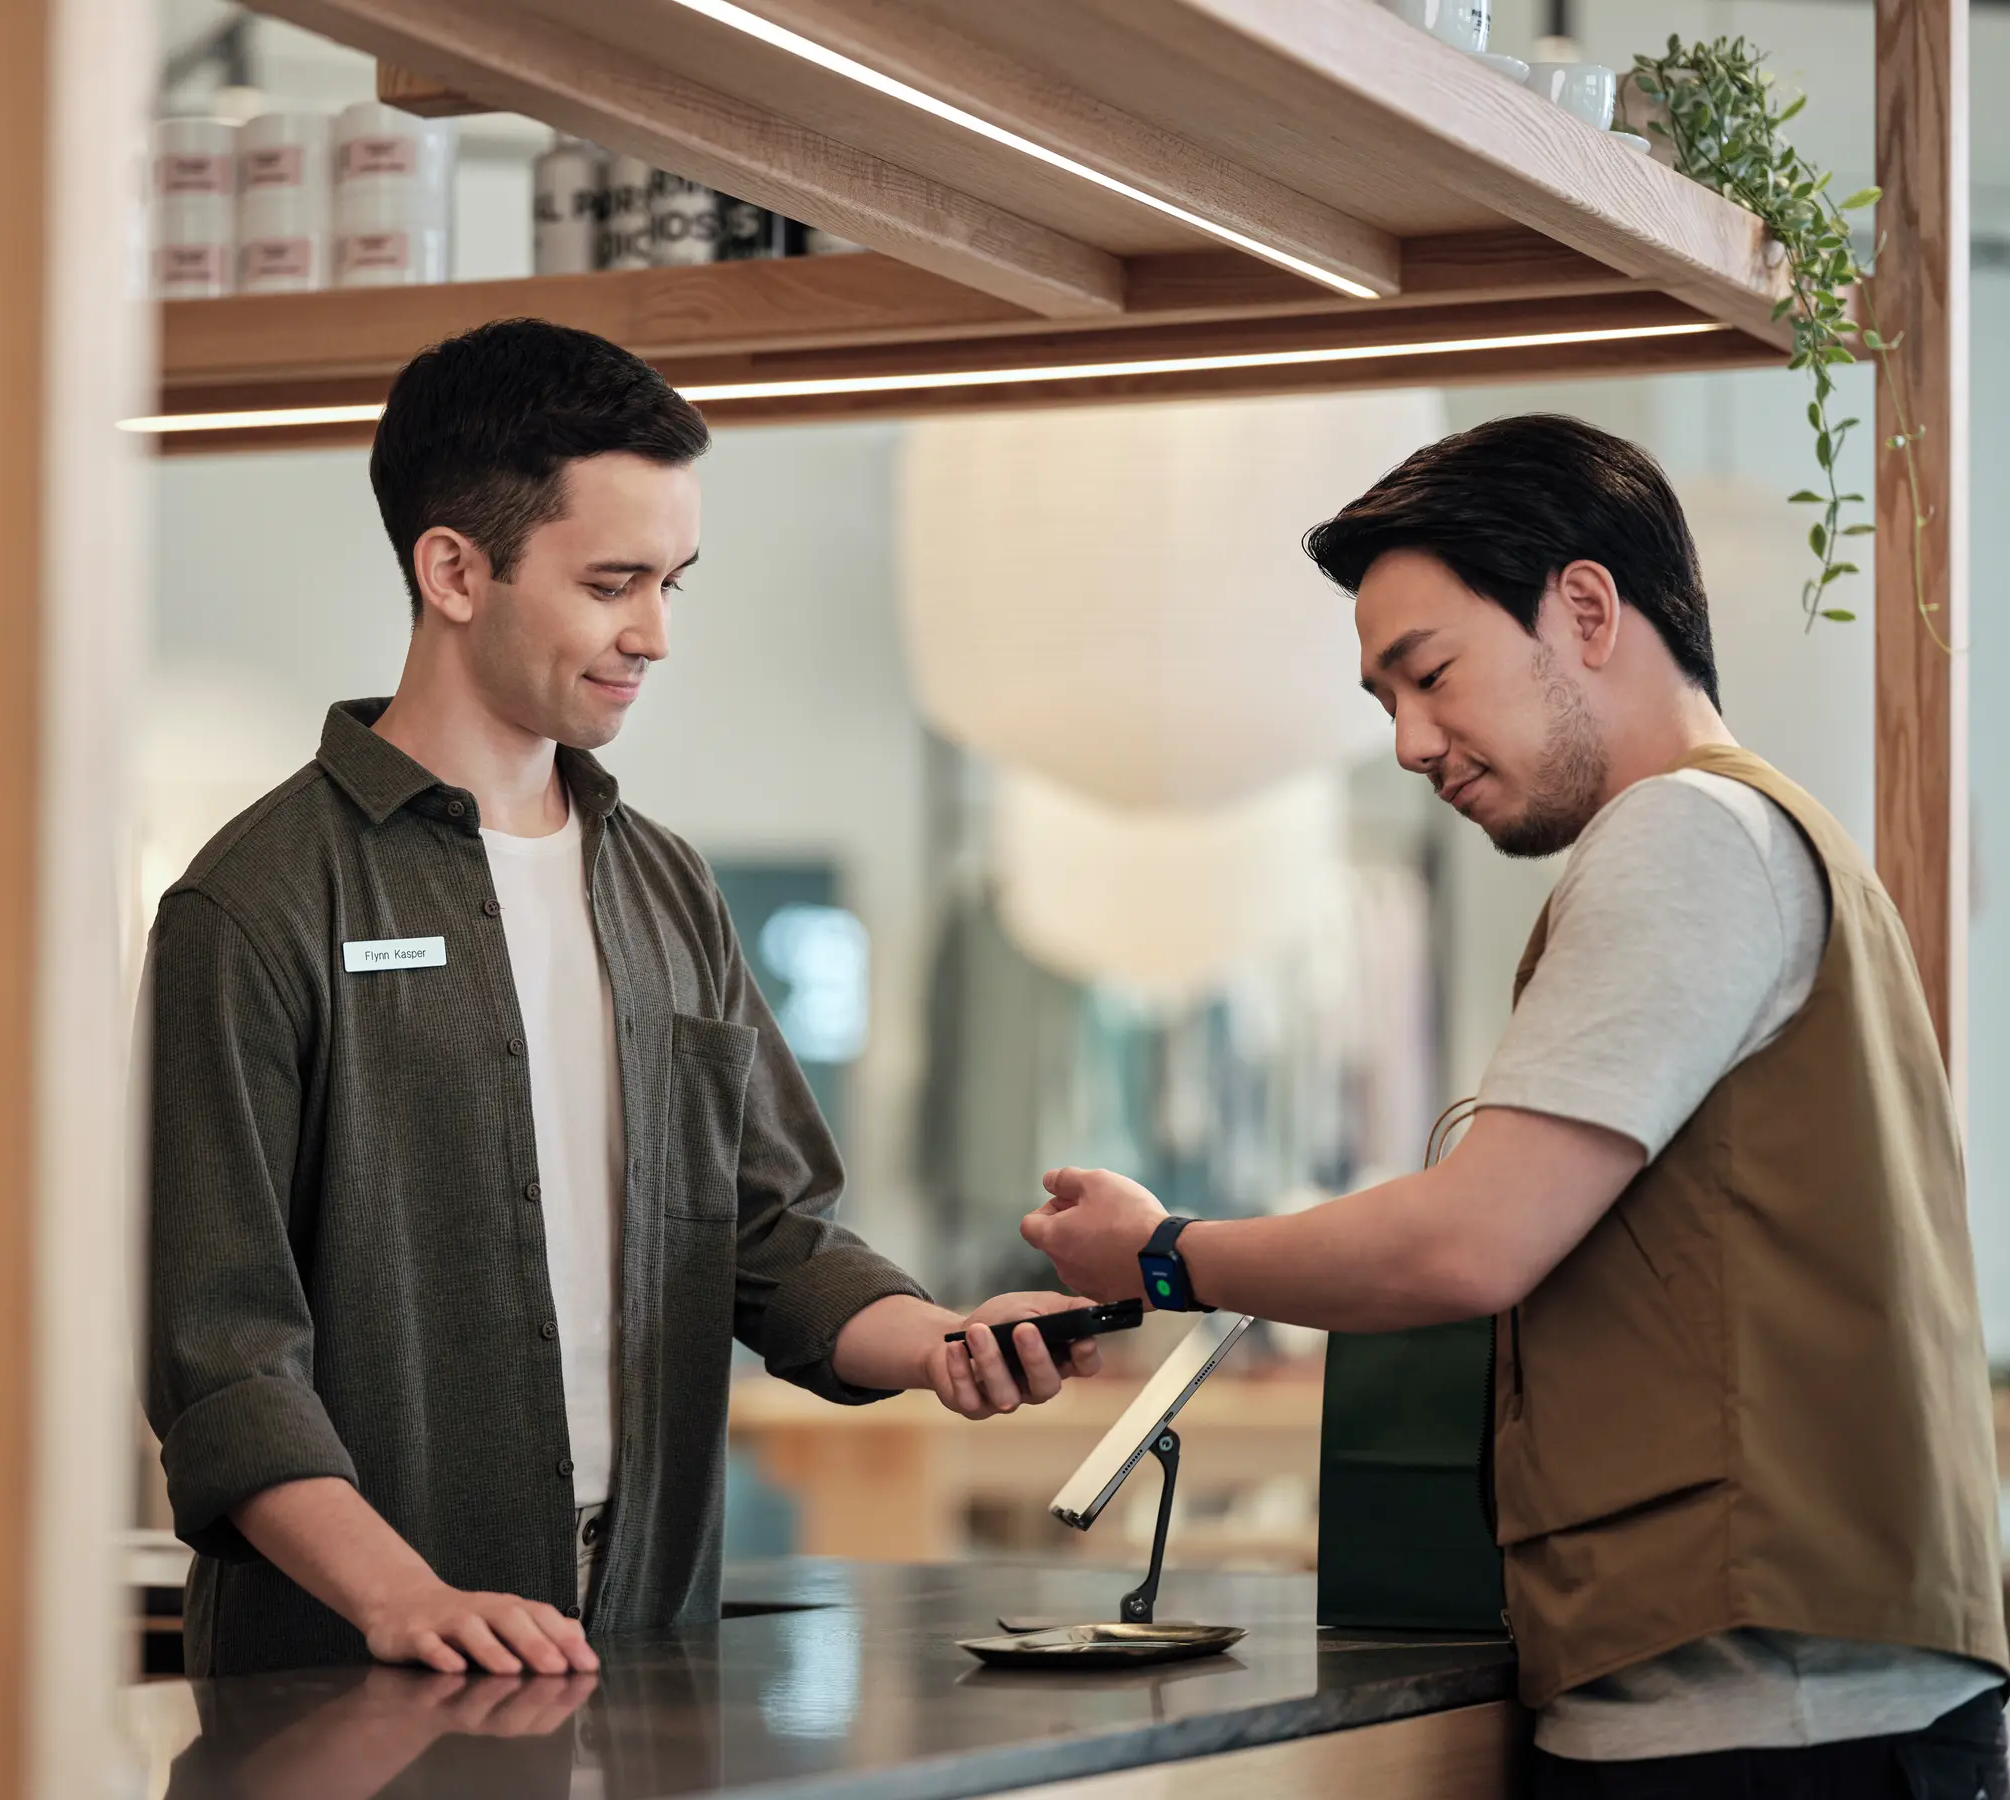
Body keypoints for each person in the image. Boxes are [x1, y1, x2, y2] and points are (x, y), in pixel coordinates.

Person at [1022, 415, 2008, 1797]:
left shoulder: (1684, 835)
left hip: (1758, 1712)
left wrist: (1163, 1255)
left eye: (1431, 675)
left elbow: (1467, 1243)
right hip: (1790, 1688)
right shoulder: (1771, 835)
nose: (1412, 743)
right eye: (1386, 702)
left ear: (1586, 609)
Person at [145, 319, 1100, 1681]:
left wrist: (944, 1342)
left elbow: (769, 1236)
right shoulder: (256, 905)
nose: (653, 634)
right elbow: (222, 1353)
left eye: (671, 583)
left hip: (647, 1636)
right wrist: (404, 1598)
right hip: (349, 1670)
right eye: (612, 584)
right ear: (453, 570)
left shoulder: (664, 888)